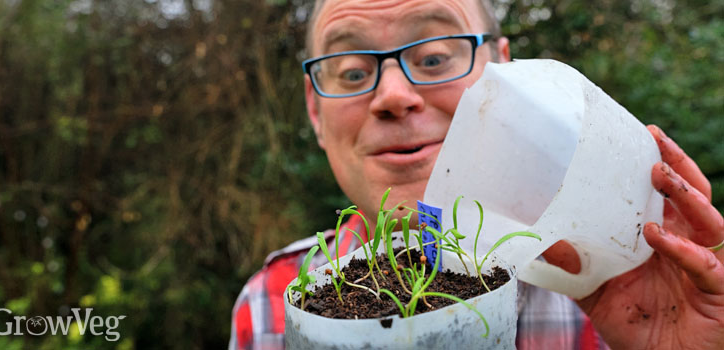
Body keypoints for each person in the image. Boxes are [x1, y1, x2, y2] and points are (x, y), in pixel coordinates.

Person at [229, 0, 724, 349]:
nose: (394, 96)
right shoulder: (271, 306)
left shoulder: (619, 280)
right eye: (354, 71)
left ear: (506, 70)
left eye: (435, 57)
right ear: (315, 113)